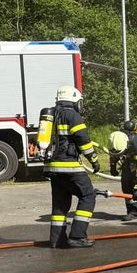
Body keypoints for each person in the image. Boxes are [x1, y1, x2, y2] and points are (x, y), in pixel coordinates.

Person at [41, 85, 100, 248]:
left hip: (52, 167)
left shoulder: (51, 115)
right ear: (74, 99)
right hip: (69, 166)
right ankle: (77, 236)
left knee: (60, 204)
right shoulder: (72, 115)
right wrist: (93, 159)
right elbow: (82, 139)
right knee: (88, 196)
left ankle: (56, 239)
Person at [108, 120, 137, 220]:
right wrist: (113, 166)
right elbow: (114, 154)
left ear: (127, 144)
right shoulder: (115, 140)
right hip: (129, 161)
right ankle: (133, 212)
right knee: (127, 185)